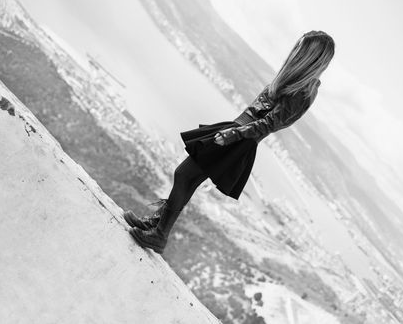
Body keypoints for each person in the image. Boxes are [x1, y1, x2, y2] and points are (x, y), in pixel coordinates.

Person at [125, 30, 335, 254]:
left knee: (183, 174)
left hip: (239, 138)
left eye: (301, 48)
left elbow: (269, 124)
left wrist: (233, 135)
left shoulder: (303, 91)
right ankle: (157, 225)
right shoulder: (295, 81)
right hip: (236, 131)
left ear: (311, 56)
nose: (295, 50)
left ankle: (160, 234)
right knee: (190, 179)